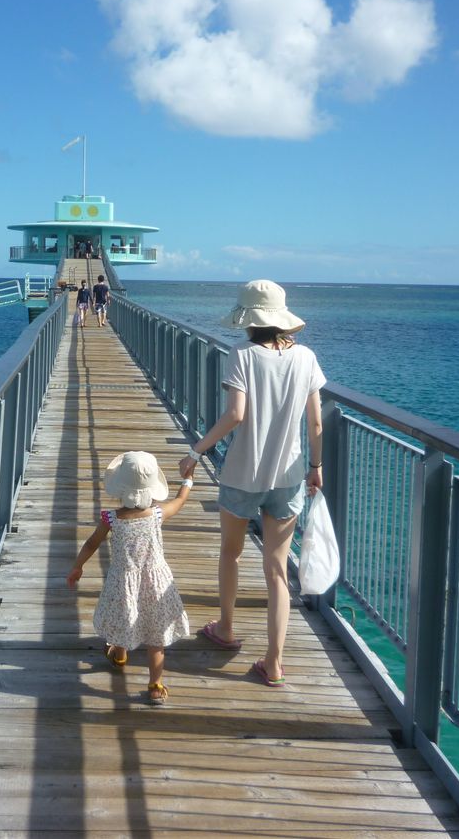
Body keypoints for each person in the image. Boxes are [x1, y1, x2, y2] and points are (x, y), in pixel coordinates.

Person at [179, 280, 325, 688]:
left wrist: (196, 452)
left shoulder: (241, 355)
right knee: (277, 570)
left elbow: (235, 415)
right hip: (289, 476)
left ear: (248, 319)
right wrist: (316, 466)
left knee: (231, 553)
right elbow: (315, 422)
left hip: (242, 473)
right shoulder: (306, 357)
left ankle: (226, 629)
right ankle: (274, 662)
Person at [67, 452, 192, 705]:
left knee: (123, 617)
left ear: (120, 489)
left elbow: (91, 543)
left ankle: (119, 654)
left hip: (123, 582)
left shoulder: (111, 519)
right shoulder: (157, 514)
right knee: (156, 639)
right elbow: (180, 500)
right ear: (153, 489)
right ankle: (155, 685)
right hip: (155, 584)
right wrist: (188, 479)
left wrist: (78, 566)